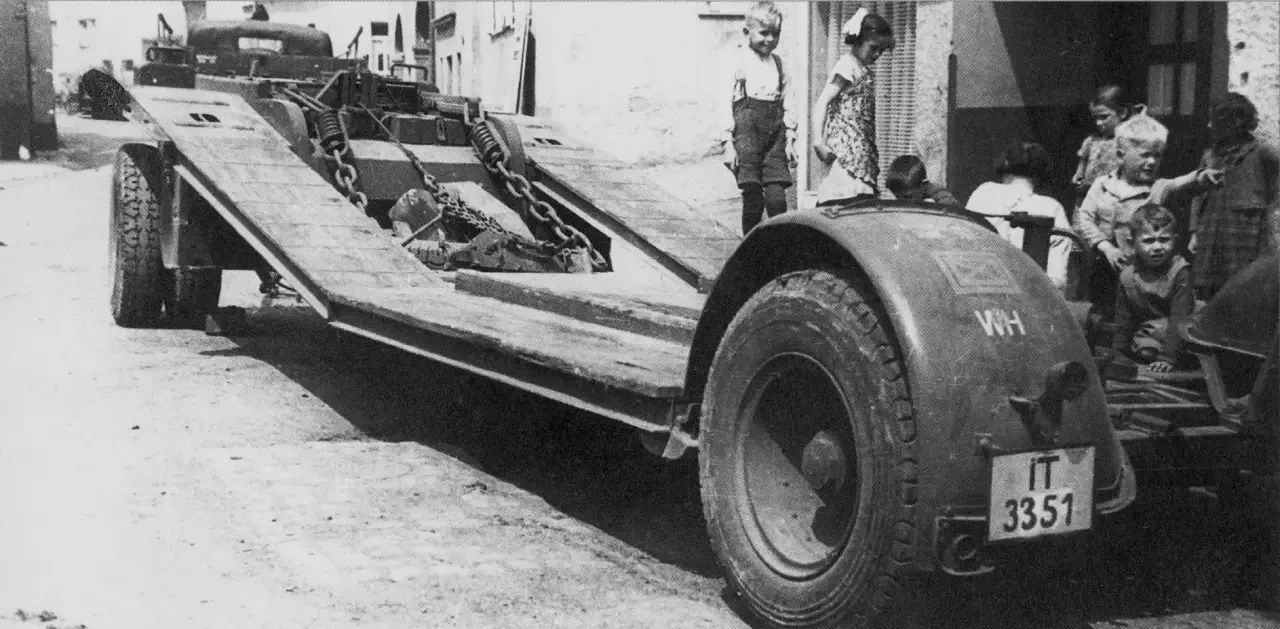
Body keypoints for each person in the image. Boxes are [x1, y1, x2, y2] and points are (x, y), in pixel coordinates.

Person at [1073, 111, 1221, 317]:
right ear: (1120, 156)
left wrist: (1201, 177)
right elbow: (1084, 218)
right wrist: (1106, 247)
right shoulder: (1102, 185)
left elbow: (1181, 183)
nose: (1152, 162)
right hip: (1102, 268)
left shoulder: (1159, 188)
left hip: (1142, 276)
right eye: (1145, 155)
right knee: (1100, 315)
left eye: (1157, 156)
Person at [1188, 92, 1280, 300]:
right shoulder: (1209, 156)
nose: (1209, 125)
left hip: (1244, 228)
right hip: (1211, 228)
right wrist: (1194, 231)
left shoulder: (1260, 153)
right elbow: (1198, 195)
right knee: (1209, 289)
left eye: (1214, 121)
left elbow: (1275, 183)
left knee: (1243, 284)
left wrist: (1260, 200)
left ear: (1234, 123)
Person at [721, 1, 797, 234]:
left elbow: (789, 102)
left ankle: (779, 247)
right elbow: (722, 102)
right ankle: (750, 248)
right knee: (753, 199)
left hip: (775, 139)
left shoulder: (780, 65)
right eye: (764, 33)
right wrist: (727, 144)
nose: (770, 39)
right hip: (747, 139)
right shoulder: (737, 62)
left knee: (777, 200)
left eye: (776, 33)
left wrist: (791, 139)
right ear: (747, 32)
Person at [811, 7, 894, 203]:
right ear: (858, 41)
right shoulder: (847, 66)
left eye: (881, 51)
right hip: (845, 148)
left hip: (861, 147)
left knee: (860, 196)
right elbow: (823, 101)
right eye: (873, 48)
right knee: (843, 194)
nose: (877, 55)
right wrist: (818, 141)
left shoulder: (863, 69)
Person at [967, 141, 1073, 289]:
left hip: (977, 285)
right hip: (1031, 291)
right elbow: (1057, 278)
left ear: (1005, 163)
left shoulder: (984, 192)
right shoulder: (1052, 207)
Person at [1110, 204, 1194, 373]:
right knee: (1146, 351)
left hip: (1181, 327)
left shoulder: (1179, 271)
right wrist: (1117, 352)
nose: (1157, 247)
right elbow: (1123, 318)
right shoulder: (1128, 276)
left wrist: (1168, 357)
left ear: (1175, 239)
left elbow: (1180, 317)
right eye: (1148, 241)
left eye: (1164, 240)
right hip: (1150, 332)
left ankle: (1176, 355)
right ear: (1132, 243)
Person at [1071, 85, 1139, 208]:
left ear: (1122, 113)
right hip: (1090, 199)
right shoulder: (1091, 142)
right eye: (1095, 118)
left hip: (1116, 200)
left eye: (1104, 117)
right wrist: (1079, 178)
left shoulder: (1129, 142)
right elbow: (1080, 171)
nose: (1098, 123)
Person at [885, 155, 960, 205]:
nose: (903, 203)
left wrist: (936, 192)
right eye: (897, 197)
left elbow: (955, 216)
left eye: (908, 197)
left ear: (923, 186)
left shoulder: (937, 194)